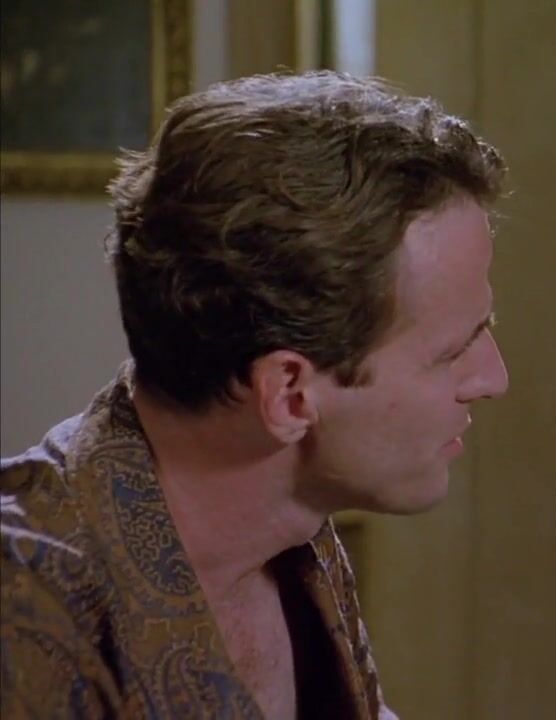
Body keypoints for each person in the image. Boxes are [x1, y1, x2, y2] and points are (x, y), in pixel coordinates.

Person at [0, 71, 509, 719]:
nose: (493, 379)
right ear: (290, 396)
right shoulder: (26, 626)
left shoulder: (294, 532)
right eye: (453, 349)